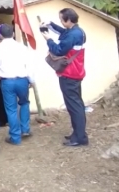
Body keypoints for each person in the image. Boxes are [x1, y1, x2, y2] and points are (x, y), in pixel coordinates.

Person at [42, 8, 88, 147]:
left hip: (70, 74)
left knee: (74, 106)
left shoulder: (73, 35)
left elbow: (58, 50)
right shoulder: (77, 31)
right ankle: (78, 133)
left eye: (61, 19)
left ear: (68, 20)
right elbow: (63, 33)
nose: (61, 22)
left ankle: (80, 138)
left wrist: (48, 39)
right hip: (76, 73)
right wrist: (51, 25)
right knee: (76, 104)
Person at [0, 24, 35, 145]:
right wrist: (31, 80)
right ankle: (25, 129)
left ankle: (15, 137)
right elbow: (29, 66)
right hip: (22, 80)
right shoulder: (22, 47)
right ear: (13, 34)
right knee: (25, 103)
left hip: (7, 82)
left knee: (11, 109)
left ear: (0, 35)